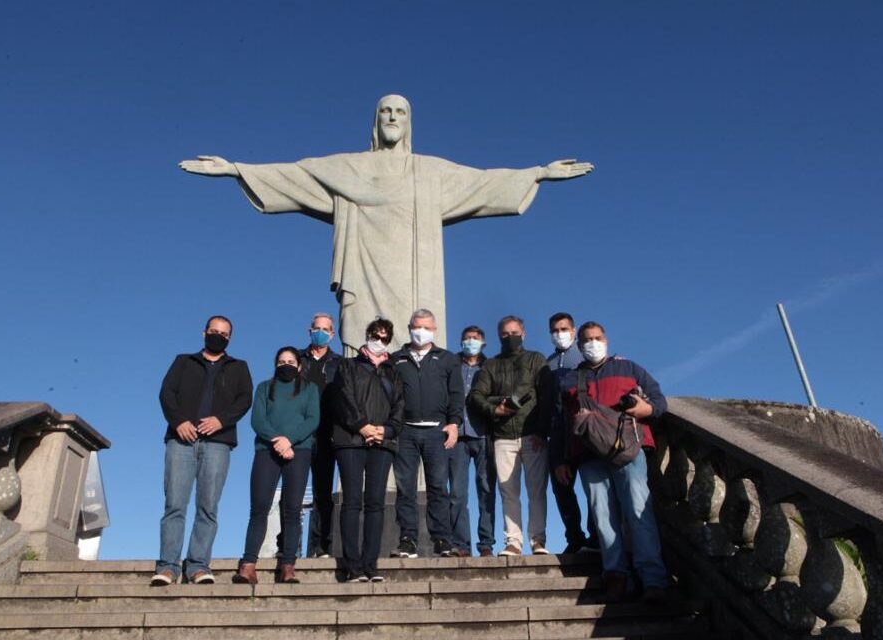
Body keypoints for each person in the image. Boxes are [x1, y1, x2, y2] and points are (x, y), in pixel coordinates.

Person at [179, 94, 593, 352]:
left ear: (409, 122)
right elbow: (297, 174)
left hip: (415, 281)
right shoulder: (348, 168)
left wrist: (536, 172)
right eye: (385, 111)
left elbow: (482, 182)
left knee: (417, 355)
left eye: (400, 112)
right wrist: (236, 169)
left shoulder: (429, 172)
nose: (392, 117)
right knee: (365, 356)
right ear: (375, 122)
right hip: (365, 275)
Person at [551, 321, 670, 603]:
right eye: (588, 340)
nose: (593, 343)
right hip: (590, 456)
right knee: (603, 519)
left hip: (628, 451)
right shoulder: (570, 380)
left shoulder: (629, 368)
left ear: (606, 339)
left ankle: (652, 579)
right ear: (580, 346)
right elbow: (562, 424)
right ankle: (616, 576)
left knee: (639, 513)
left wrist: (647, 408)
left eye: (598, 337)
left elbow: (660, 401)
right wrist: (561, 460)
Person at [153, 316, 253, 585]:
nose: (218, 336)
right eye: (214, 331)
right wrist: (178, 422)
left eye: (224, 333)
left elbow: (245, 400)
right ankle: (168, 567)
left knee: (208, 507)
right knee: (174, 504)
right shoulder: (183, 361)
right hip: (181, 441)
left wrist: (221, 420)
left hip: (218, 444)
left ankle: (198, 565)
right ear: (204, 333)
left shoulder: (239, 367)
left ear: (230, 338)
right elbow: (166, 393)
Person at [468, 316, 553, 556]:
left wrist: (542, 431)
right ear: (498, 336)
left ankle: (538, 540)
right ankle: (513, 542)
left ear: (524, 333)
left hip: (533, 435)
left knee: (536, 491)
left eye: (514, 332)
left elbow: (546, 396)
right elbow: (477, 396)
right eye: (505, 334)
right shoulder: (491, 365)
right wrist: (495, 409)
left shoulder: (536, 359)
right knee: (509, 493)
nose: (510, 337)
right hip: (503, 436)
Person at [233, 347, 319, 585]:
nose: (286, 364)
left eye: (291, 361)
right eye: (281, 361)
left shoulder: (310, 389)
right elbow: (258, 419)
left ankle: (288, 566)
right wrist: (277, 440)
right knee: (259, 507)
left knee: (292, 509)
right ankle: (248, 564)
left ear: (299, 365)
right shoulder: (264, 388)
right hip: (267, 451)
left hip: (298, 451)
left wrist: (289, 440)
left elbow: (312, 419)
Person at [333, 318, 404, 582]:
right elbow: (343, 398)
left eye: (385, 337)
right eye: (376, 335)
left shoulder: (392, 372)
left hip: (382, 443)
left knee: (375, 504)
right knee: (352, 501)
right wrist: (362, 426)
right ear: (367, 334)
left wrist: (385, 431)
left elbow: (399, 406)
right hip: (351, 440)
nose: (379, 340)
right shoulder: (348, 365)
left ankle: (370, 564)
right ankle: (352, 566)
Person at [390, 308, 462, 558]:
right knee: (405, 488)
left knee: (438, 487)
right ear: (409, 327)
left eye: (426, 327)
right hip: (405, 433)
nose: (421, 331)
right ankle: (407, 539)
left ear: (434, 330)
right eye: (416, 326)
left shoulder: (448, 359)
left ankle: (442, 539)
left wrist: (454, 423)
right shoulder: (395, 359)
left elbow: (456, 394)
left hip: (436, 432)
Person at [546, 312, 598, 554]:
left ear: (574, 330)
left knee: (593, 487)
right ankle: (574, 537)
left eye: (564, 329)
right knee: (562, 488)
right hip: (558, 434)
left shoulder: (586, 359)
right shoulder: (547, 365)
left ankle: (596, 537)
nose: (560, 334)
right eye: (555, 330)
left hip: (586, 433)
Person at [448, 325, 497, 557]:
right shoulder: (451, 365)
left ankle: (486, 543)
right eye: (466, 338)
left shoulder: (491, 367)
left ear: (483, 343)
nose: (470, 342)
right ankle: (461, 544)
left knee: (486, 490)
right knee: (457, 493)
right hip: (456, 436)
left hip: (484, 434)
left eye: (475, 338)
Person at [300, 312, 343, 559]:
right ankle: (286, 544)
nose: (321, 332)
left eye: (326, 329)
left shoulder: (339, 363)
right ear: (310, 330)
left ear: (332, 334)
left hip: (326, 433)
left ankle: (321, 545)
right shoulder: (297, 359)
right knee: (293, 492)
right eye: (317, 328)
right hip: (300, 435)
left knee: (323, 492)